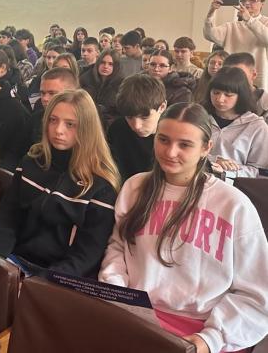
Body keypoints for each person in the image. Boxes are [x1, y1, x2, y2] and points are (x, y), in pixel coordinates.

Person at [99, 102, 268, 353]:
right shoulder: (135, 187)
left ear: (206, 148)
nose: (170, 152)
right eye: (163, 140)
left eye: (185, 144)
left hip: (202, 329)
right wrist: (118, 296)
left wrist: (210, 339)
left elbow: (257, 294)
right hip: (135, 316)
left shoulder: (234, 205)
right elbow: (117, 249)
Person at [0, 89, 120, 278]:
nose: (58, 130)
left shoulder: (101, 185)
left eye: (70, 124)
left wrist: (43, 281)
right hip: (15, 261)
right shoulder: (31, 162)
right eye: (53, 120)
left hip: (59, 276)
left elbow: (87, 255)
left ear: (86, 128)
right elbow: (8, 219)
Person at [202, 66, 268, 177]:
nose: (220, 99)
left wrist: (226, 171)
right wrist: (213, 161)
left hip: (235, 184)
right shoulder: (200, 117)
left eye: (228, 95)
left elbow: (260, 171)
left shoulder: (257, 126)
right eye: (216, 93)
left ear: (241, 96)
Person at [204, 0, 268, 89]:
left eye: (252, 0)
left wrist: (249, 20)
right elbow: (209, 34)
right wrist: (210, 13)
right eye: (243, 0)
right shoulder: (232, 26)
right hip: (232, 76)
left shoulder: (265, 22)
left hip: (258, 76)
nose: (247, 3)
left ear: (262, 4)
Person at [108, 74, 167, 182]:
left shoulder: (171, 136)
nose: (136, 126)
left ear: (162, 107)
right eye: (129, 117)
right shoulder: (118, 128)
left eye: (144, 118)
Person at [79, 48, 123, 128]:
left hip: (109, 126)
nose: (105, 66)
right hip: (85, 121)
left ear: (116, 66)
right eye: (103, 62)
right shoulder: (85, 79)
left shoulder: (121, 85)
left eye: (110, 64)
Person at [224, 51, 268, 118]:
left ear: (254, 75)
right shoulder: (218, 98)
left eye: (240, 75)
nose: (233, 79)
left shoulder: (265, 101)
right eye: (229, 75)